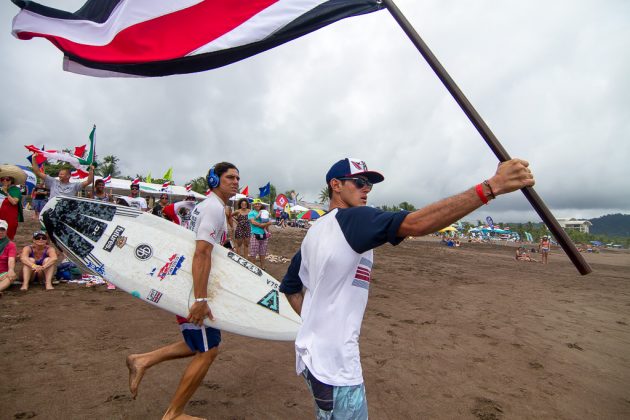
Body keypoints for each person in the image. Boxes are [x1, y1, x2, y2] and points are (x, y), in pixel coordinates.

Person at [280, 157, 535, 419]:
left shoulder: (316, 230)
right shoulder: (353, 219)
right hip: (336, 368)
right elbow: (416, 224)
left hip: (312, 358)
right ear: (335, 185)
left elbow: (290, 287)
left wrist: (317, 326)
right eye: (359, 182)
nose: (366, 189)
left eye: (369, 184)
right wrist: (491, 187)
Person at [126, 162, 240, 420]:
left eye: (237, 178)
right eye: (229, 177)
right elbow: (201, 252)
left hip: (189, 281)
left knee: (196, 343)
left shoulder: (214, 207)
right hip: (192, 286)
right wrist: (200, 299)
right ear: (214, 179)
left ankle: (141, 360)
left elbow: (217, 247)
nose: (235, 181)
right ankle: (174, 414)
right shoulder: (212, 208)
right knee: (208, 350)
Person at [0, 165, 26, 240]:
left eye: (7, 179)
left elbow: (14, 202)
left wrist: (6, 192)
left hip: (10, 218)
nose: (5, 181)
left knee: (8, 237)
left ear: (12, 180)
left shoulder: (15, 190)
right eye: (2, 179)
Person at [248, 199, 272, 270]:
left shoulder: (264, 212)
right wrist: (262, 225)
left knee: (263, 251)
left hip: (264, 234)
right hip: (255, 234)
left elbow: (269, 222)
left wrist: (267, 230)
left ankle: (262, 267)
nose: (257, 205)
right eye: (256, 204)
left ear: (261, 205)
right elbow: (253, 222)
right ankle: (253, 267)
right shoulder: (251, 213)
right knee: (253, 252)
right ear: (253, 205)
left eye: (258, 204)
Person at [0, 219, 18, 296]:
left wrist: (11, 270)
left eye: (2, 230)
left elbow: (11, 259)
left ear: (6, 231)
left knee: (10, 276)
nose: (0, 232)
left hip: (2, 273)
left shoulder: (11, 245)